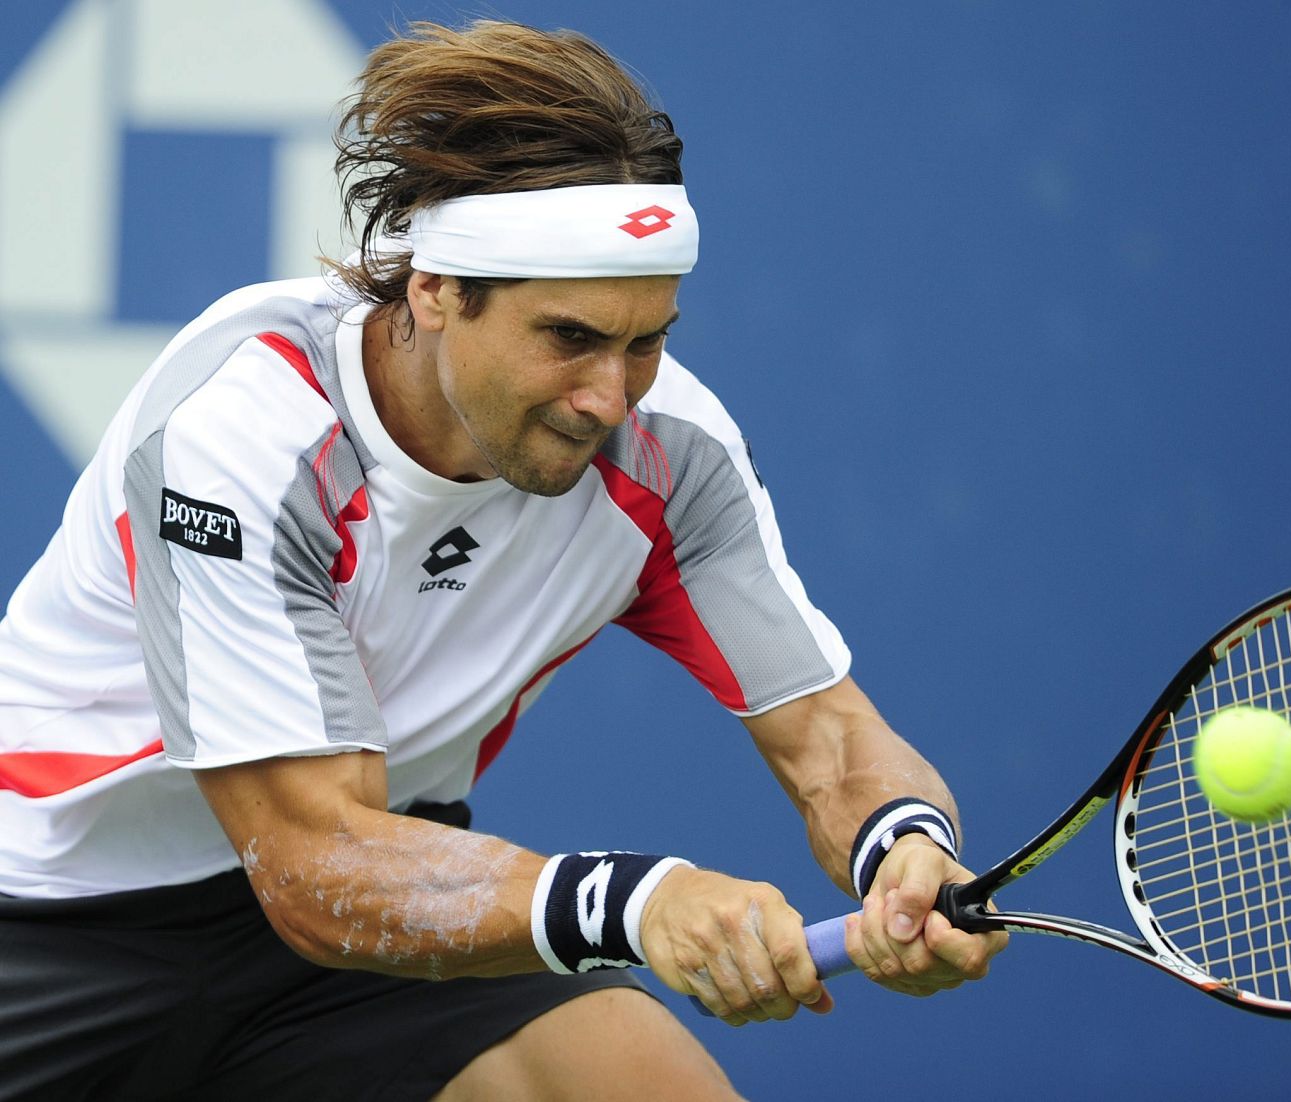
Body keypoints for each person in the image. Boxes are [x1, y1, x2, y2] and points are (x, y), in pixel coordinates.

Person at [0, 20, 1005, 1101]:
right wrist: (637, 902)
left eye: (645, 340)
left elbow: (830, 737)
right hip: (54, 916)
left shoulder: (669, 452)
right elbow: (310, 864)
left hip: (384, 915)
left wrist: (902, 851)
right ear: (435, 289)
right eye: (569, 337)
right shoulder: (245, 427)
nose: (609, 398)